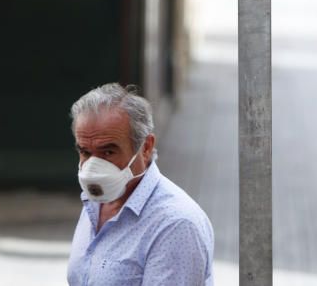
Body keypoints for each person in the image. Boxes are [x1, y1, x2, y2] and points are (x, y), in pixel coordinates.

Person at [67, 83, 214, 286]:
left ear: (146, 147)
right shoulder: (95, 203)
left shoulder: (176, 225)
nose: (93, 168)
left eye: (108, 152)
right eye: (85, 152)